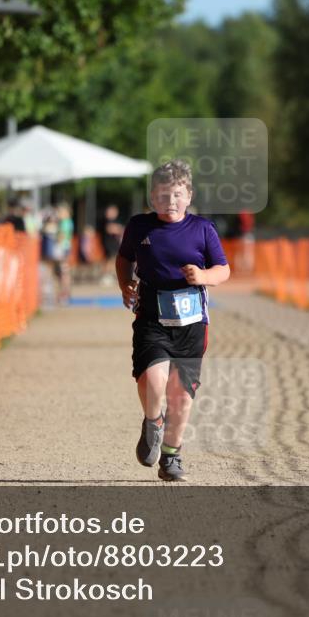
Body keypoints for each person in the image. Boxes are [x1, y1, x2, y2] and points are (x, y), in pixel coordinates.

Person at [115, 160, 231, 481]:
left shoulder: (202, 229)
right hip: (152, 314)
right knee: (152, 380)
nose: (170, 202)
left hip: (193, 322)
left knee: (180, 394)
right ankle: (153, 422)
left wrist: (203, 274)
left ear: (189, 195)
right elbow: (124, 258)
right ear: (152, 197)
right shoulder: (140, 227)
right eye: (163, 195)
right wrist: (125, 284)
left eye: (177, 195)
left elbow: (223, 270)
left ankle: (171, 456)